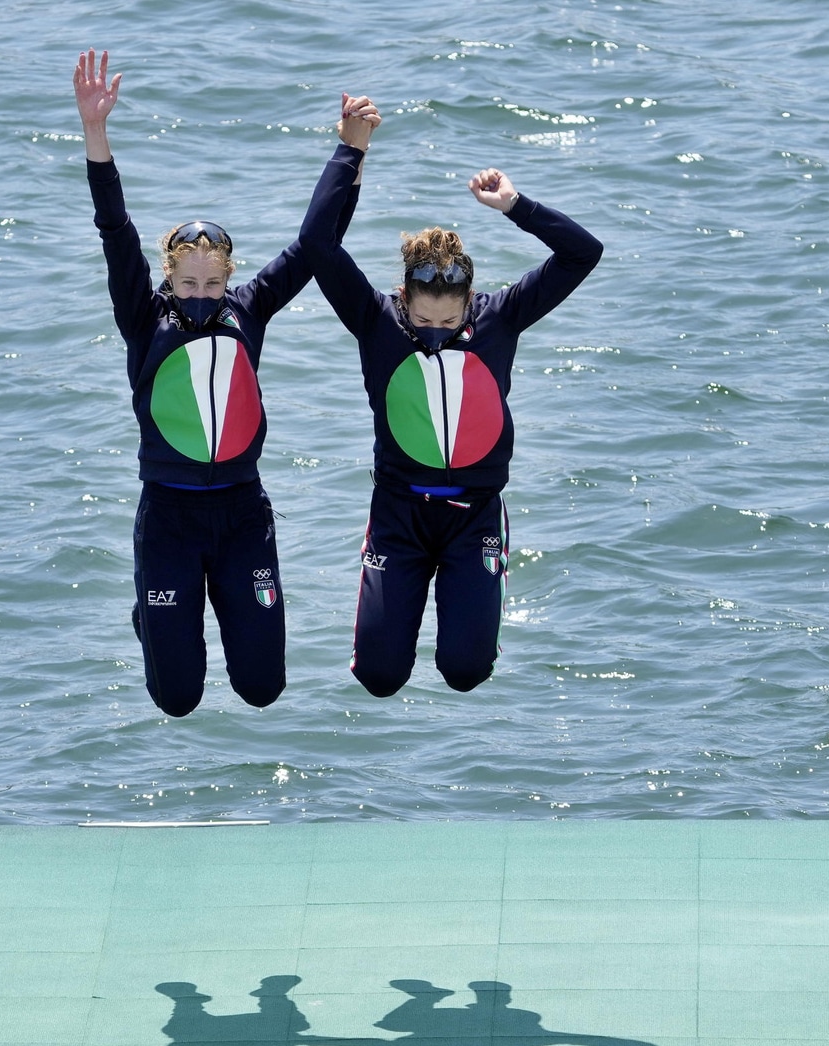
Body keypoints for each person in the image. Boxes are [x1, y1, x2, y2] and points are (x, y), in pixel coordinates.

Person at [74, 49, 378, 716]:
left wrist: (350, 151)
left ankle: (195, 621)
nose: (202, 294)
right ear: (169, 277)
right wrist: (96, 133)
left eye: (213, 283)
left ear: (228, 277)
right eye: (189, 283)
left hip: (242, 513)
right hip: (169, 516)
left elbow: (315, 245)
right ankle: (150, 617)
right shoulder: (143, 315)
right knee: (178, 698)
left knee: (262, 688)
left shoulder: (249, 308)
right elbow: (114, 231)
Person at [300, 112, 605, 696]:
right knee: (380, 677)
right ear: (403, 298)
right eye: (423, 320)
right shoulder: (375, 321)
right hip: (399, 513)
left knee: (466, 671)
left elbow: (583, 253)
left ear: (470, 301)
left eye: (449, 320)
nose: (436, 333)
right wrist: (350, 152)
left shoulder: (501, 316)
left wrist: (515, 206)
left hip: (475, 515)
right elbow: (317, 242)